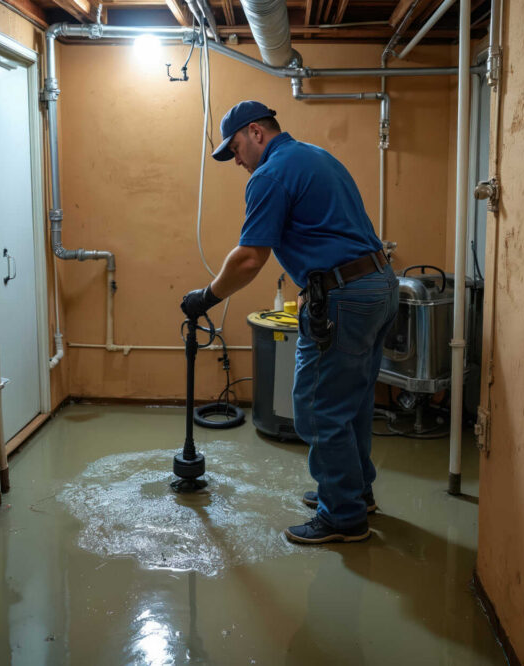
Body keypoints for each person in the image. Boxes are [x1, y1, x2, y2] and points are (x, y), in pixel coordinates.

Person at [181, 100, 399, 544]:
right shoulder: (315, 156)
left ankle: (343, 517)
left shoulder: (271, 175)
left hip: (345, 297)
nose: (236, 160)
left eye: (236, 148)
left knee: (317, 408)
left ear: (257, 132)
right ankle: (353, 493)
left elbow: (248, 259)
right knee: (351, 401)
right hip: (376, 286)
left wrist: (205, 297)